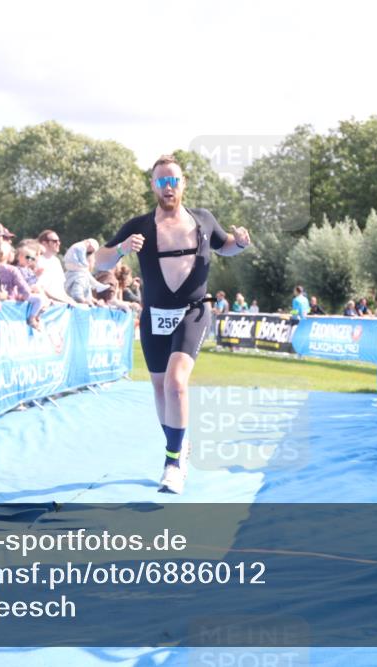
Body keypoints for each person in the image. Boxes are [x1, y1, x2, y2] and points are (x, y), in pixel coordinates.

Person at [94, 154, 251, 494]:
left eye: (173, 181)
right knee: (160, 387)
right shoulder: (139, 225)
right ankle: (179, 444)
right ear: (153, 186)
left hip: (193, 311)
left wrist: (239, 243)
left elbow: (227, 248)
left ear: (184, 184)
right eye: (161, 181)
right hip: (154, 316)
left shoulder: (203, 219)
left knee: (177, 384)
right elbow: (99, 261)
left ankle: (172, 462)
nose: (168, 187)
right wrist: (121, 249)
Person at [0, 240, 44, 329]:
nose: (29, 260)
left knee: (41, 299)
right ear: (20, 256)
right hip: (18, 295)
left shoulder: (28, 270)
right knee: (39, 299)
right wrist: (36, 277)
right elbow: (24, 285)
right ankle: (32, 318)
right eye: (27, 257)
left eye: (32, 258)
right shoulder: (16, 269)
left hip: (19, 295)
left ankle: (36, 316)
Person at [64, 238, 108, 305]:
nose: (94, 263)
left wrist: (94, 301)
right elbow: (76, 295)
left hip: (71, 264)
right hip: (72, 264)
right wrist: (87, 302)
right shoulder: (80, 277)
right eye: (93, 260)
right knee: (85, 272)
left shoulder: (69, 275)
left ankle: (97, 285)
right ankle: (97, 285)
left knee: (86, 273)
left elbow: (85, 296)